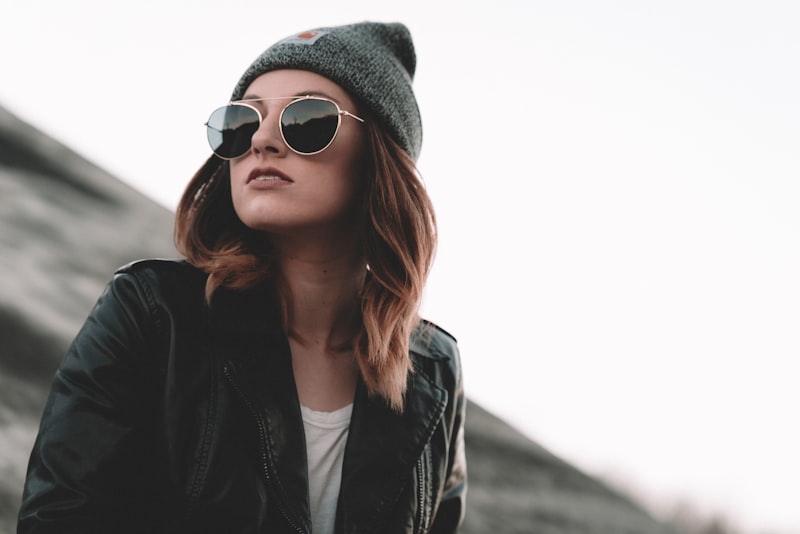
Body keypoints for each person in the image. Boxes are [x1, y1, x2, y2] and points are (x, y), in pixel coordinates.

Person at [17, 21, 466, 534]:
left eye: (308, 117)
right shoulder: (153, 313)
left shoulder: (433, 369)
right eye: (242, 120)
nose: (263, 139)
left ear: (380, 158)